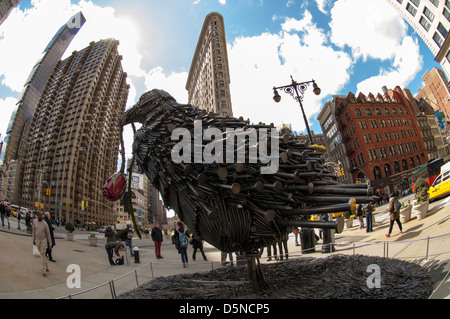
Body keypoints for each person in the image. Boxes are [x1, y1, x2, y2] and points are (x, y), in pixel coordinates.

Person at [32, 212, 52, 276]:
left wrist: (50, 244)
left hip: (44, 241)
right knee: (40, 255)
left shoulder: (45, 224)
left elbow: (48, 234)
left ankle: (44, 270)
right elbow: (34, 231)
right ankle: (46, 267)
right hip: (37, 240)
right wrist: (33, 240)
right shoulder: (34, 222)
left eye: (42, 215)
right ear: (37, 216)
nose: (41, 217)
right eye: (39, 215)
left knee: (43, 255)